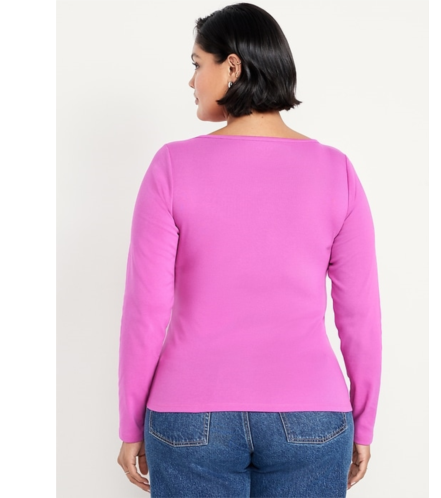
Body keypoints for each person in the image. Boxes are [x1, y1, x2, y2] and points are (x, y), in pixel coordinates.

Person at [116, 3, 382, 497]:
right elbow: (360, 314)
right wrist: (363, 424)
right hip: (312, 417)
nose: (191, 81)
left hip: (190, 418)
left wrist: (131, 423)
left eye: (198, 64)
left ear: (232, 67)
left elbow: (146, 311)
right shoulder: (337, 172)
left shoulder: (172, 166)